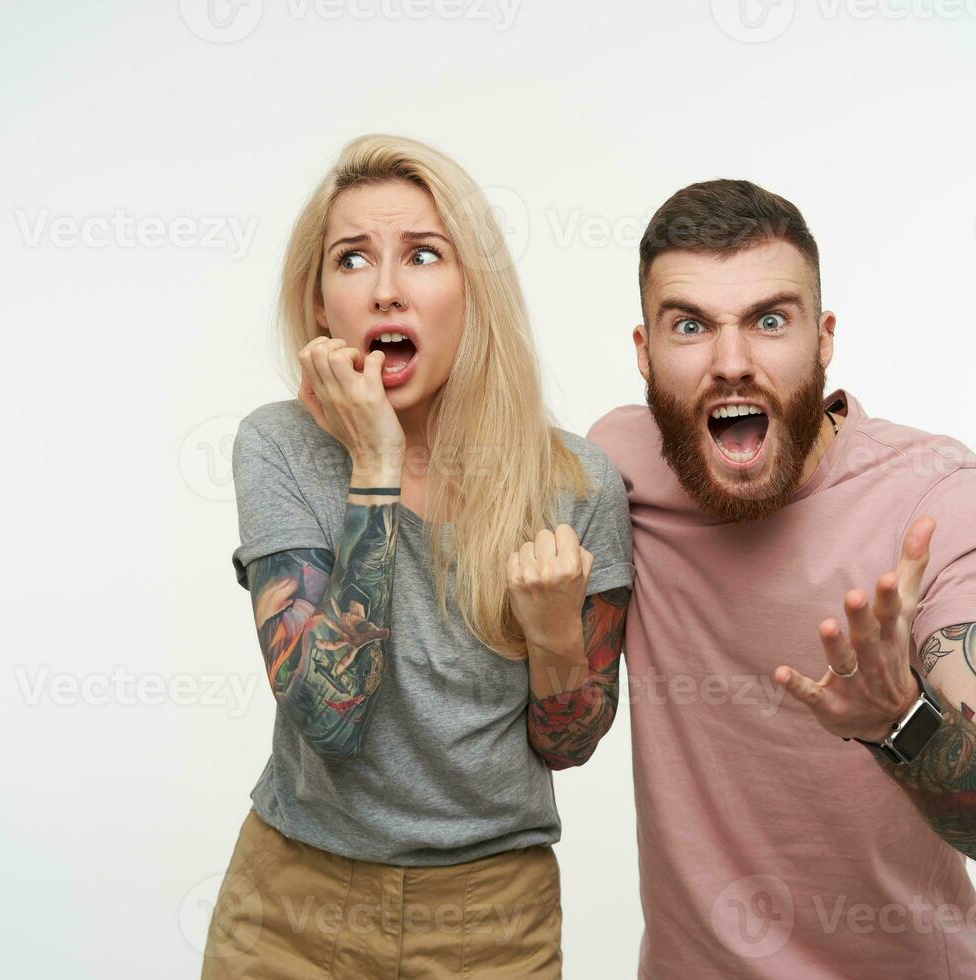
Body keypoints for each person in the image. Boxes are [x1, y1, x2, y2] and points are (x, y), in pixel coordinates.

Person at [587, 178, 976, 978]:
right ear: (643, 352)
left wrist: (901, 722)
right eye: (691, 325)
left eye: (770, 320)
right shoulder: (617, 467)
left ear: (824, 339)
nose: (730, 364)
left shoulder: (940, 500)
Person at [202, 134, 633, 979]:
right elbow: (328, 717)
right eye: (353, 258)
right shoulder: (279, 447)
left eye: (423, 256)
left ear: (474, 291)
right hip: (294, 902)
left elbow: (571, 744)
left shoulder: (577, 482)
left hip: (493, 923)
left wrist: (551, 633)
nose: (387, 289)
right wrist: (376, 467)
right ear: (320, 300)